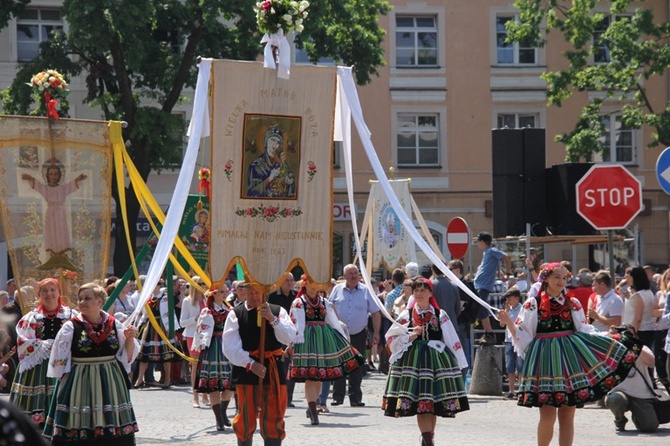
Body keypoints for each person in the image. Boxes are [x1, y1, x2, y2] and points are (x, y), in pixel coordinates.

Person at [498, 262, 637, 446]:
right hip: (545, 361)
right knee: (547, 413)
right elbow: (524, 336)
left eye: (564, 278)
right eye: (556, 277)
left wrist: (607, 337)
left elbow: (583, 330)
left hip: (569, 364)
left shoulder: (573, 303)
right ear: (545, 278)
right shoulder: (533, 304)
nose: (561, 281)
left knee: (567, 414)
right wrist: (508, 321)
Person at [43, 283, 139, 445]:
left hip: (110, 380)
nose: (82, 302)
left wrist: (129, 338)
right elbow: (59, 359)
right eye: (80, 299)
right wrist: (65, 384)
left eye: (87, 298)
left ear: (100, 302)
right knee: (79, 422)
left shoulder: (114, 324)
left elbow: (126, 357)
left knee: (112, 423)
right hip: (80, 379)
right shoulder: (70, 327)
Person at [382, 278, 469, 446]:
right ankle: (428, 440)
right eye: (416, 290)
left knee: (432, 404)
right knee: (421, 403)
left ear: (430, 293)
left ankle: (428, 438)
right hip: (413, 362)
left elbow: (452, 338)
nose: (419, 293)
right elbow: (391, 337)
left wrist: (460, 363)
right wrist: (410, 335)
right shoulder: (406, 315)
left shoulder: (440, 314)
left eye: (423, 290)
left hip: (436, 361)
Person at [222, 282, 297, 446]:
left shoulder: (278, 311)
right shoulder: (236, 314)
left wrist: (271, 319)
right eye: (250, 293)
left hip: (273, 368)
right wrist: (250, 364)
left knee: (274, 414)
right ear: (244, 292)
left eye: (258, 293)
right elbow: (229, 347)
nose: (254, 296)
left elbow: (289, 336)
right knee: (245, 416)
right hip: (246, 370)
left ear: (265, 293)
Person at [289, 278, 364, 425]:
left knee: (319, 376)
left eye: (317, 284)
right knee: (311, 376)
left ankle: (313, 405)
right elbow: (296, 324)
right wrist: (291, 343)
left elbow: (333, 322)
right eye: (311, 283)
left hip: (323, 340)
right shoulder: (299, 302)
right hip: (306, 341)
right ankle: (313, 410)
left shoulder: (324, 302)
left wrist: (342, 339)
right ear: (305, 284)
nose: (314, 287)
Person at [9, 278, 77, 428]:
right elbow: (22, 340)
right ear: (38, 294)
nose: (49, 294)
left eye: (53, 290)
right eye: (44, 291)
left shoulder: (72, 315)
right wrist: (43, 346)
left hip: (64, 363)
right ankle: (34, 424)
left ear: (59, 293)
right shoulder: (31, 317)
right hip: (38, 364)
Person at [328, 264, 381, 407]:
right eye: (350, 273)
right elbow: (329, 308)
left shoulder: (366, 291)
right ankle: (337, 397)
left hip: (359, 333)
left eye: (356, 273)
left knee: (357, 365)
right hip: (339, 334)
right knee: (339, 364)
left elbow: (375, 313)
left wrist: (376, 333)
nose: (353, 276)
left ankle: (355, 398)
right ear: (345, 276)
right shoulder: (337, 290)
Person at [21, 162, 86, 271]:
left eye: (56, 174)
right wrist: (29, 178)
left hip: (60, 212)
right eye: (51, 174)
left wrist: (78, 179)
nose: (53, 177)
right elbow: (37, 185)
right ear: (47, 175)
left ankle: (61, 254)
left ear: (60, 175)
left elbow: (71, 186)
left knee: (61, 230)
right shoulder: (45, 189)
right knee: (51, 231)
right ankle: (53, 255)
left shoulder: (62, 189)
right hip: (50, 212)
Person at [604, 325, 662, 433]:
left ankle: (638, 416)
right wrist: (610, 337)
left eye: (629, 334)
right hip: (619, 391)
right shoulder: (611, 348)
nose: (626, 336)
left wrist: (631, 344)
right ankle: (620, 419)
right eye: (624, 334)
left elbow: (650, 361)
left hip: (640, 394)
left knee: (650, 427)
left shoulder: (641, 347)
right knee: (615, 400)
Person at [193, 284, 234, 431]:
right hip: (212, 348)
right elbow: (201, 330)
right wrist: (201, 344)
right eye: (221, 292)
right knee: (213, 385)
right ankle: (218, 418)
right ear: (214, 294)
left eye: (226, 291)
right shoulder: (207, 311)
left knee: (229, 384)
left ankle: (223, 412)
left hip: (227, 347)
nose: (225, 294)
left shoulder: (230, 310)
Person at [134, 280, 183, 389]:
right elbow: (143, 313)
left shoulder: (165, 297)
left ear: (159, 286)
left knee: (166, 354)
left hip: (162, 327)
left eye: (155, 284)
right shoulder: (148, 297)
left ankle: (167, 380)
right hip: (149, 326)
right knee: (144, 353)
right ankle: (139, 379)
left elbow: (175, 301)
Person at [472, 232, 511, 346]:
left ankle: (489, 334)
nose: (478, 244)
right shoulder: (487, 253)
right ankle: (487, 333)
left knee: (481, 309)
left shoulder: (491, 250)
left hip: (484, 286)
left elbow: (506, 257)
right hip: (480, 285)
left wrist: (508, 273)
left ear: (484, 242)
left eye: (478, 241)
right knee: (479, 309)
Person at [268, 272, 298, 407]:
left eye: (291, 280)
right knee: (281, 367)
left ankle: (288, 398)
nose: (289, 283)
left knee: (291, 367)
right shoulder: (273, 297)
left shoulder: (297, 297)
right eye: (287, 280)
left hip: (293, 334)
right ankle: (278, 395)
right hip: (277, 334)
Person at [179, 276, 209, 407]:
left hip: (206, 335)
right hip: (192, 336)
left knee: (205, 365)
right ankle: (195, 396)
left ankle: (204, 394)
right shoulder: (187, 301)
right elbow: (182, 322)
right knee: (196, 366)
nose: (203, 286)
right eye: (200, 283)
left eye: (204, 283)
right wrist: (195, 318)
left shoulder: (207, 299)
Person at [246, 127, 295, 198]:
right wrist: (270, 178)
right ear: (266, 141)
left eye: (278, 142)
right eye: (272, 140)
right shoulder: (256, 165)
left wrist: (287, 182)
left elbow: (288, 191)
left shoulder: (280, 164)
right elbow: (251, 193)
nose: (275, 144)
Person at [498, 288, 523, 399]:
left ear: (517, 297)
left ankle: (521, 390)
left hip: (519, 340)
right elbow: (502, 324)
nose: (508, 300)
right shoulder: (508, 310)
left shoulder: (522, 309)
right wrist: (506, 311)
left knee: (520, 366)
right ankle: (511, 390)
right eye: (506, 298)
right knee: (510, 367)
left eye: (510, 298)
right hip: (508, 340)